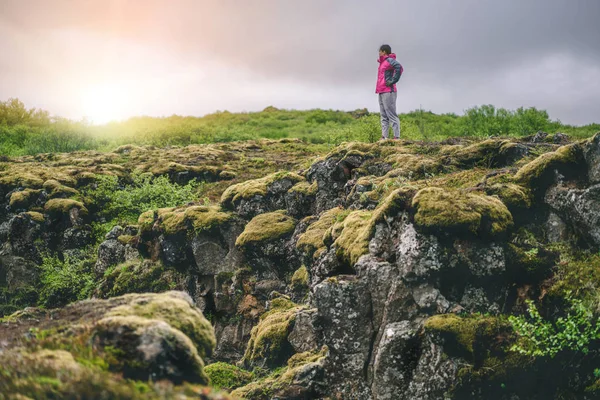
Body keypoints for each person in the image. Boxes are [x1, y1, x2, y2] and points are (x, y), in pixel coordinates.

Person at [376, 44, 403, 140]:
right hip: (381, 91)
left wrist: (393, 80)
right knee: (383, 115)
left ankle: (397, 137)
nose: (378, 53)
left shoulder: (389, 61)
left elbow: (399, 68)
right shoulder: (382, 63)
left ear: (384, 52)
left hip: (389, 91)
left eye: (380, 51)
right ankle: (384, 137)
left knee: (391, 114)